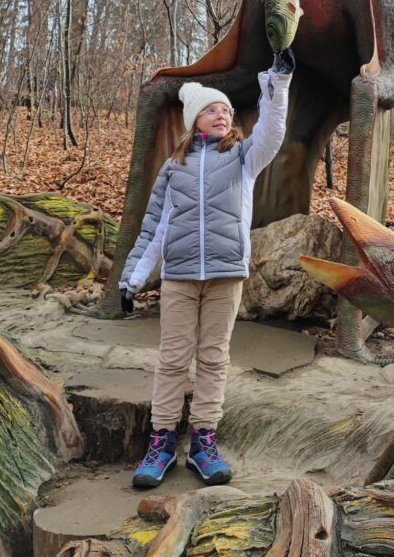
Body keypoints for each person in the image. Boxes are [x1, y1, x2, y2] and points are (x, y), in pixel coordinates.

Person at [119, 51, 294, 488]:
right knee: (174, 359)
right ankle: (160, 442)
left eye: (228, 110)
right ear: (196, 118)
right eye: (213, 109)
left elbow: (272, 130)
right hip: (179, 277)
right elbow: (154, 228)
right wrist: (133, 279)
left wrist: (280, 81)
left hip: (225, 274)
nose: (222, 114)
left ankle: (203, 442)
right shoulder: (173, 168)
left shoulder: (242, 158)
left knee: (214, 358)